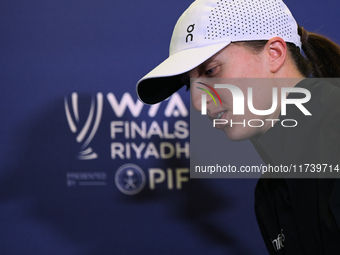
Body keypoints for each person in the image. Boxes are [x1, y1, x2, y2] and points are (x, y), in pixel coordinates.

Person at [136, 0, 340, 254]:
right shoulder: (268, 195)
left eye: (211, 71)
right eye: (190, 85)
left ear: (274, 53)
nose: (199, 103)